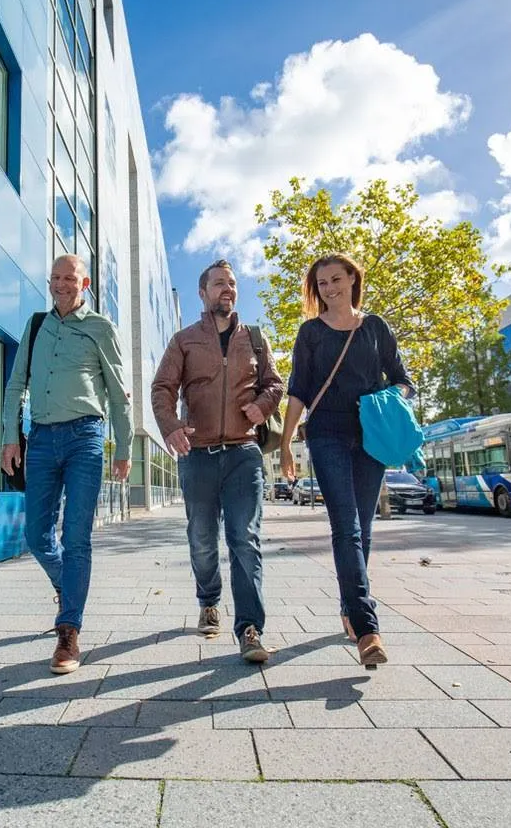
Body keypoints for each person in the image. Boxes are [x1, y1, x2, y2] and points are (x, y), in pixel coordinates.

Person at [279, 253, 415, 667]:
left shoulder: (375, 328)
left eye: (337, 279)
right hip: (327, 436)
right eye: (322, 283)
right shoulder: (311, 333)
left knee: (364, 527)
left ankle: (349, 606)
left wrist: (391, 400)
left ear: (354, 279)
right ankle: (368, 627)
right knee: (346, 526)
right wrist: (286, 442)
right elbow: (299, 389)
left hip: (371, 435)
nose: (330, 288)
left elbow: (404, 380)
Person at [1, 254, 132, 675]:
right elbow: (15, 384)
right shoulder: (36, 325)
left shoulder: (101, 328)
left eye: (69, 278)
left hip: (84, 439)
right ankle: (67, 584)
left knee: (76, 537)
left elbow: (117, 392)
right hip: (39, 439)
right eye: (55, 277)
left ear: (85, 283)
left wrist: (125, 446)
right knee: (37, 535)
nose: (61, 284)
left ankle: (68, 630)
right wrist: (9, 437)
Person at [151, 260, 284, 663]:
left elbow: (275, 383)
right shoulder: (184, 340)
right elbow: (162, 388)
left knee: (245, 539)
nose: (227, 289)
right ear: (203, 292)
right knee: (203, 540)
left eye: (232, 283)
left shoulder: (256, 339)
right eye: (219, 283)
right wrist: (171, 426)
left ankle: (249, 628)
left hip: (244, 453)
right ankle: (209, 600)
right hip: (199, 456)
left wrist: (263, 405)